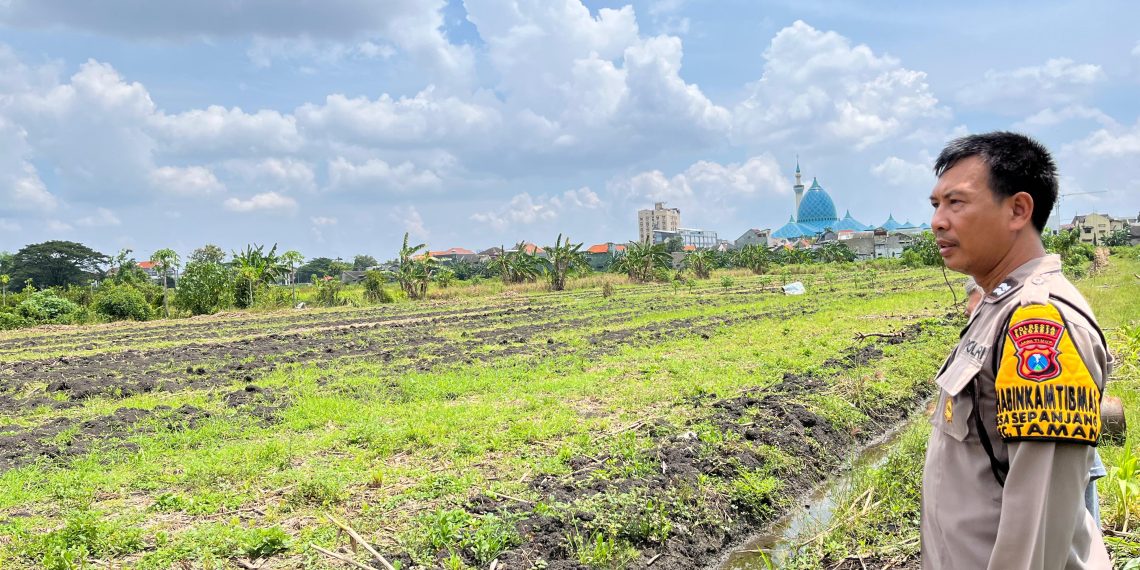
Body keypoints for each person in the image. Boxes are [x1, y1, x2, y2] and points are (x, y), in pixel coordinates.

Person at [920, 132, 1110, 569]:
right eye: (936, 205)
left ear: (1018, 210)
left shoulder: (1038, 321)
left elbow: (1038, 521)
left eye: (956, 202)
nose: (938, 221)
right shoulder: (997, 306)